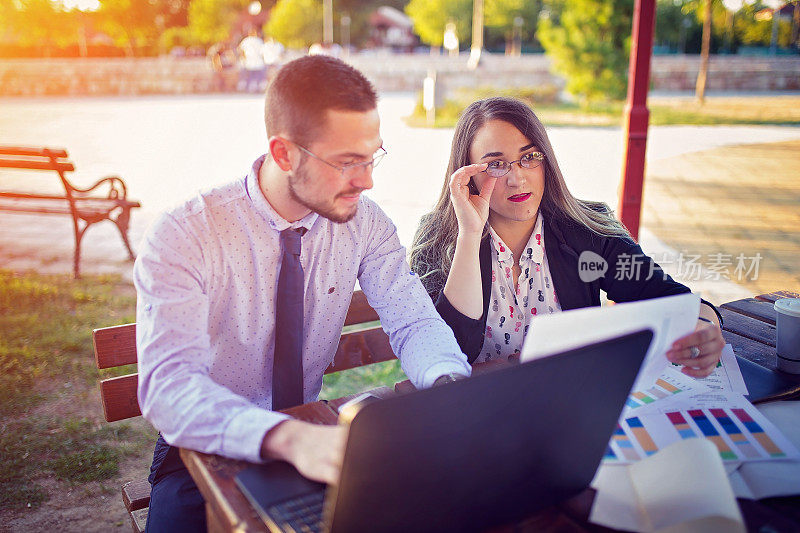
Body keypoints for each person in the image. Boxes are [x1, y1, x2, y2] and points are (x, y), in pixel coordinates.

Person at [135, 55, 471, 532]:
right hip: (206, 443)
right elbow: (168, 387)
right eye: (347, 162)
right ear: (284, 153)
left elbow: (412, 319)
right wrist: (288, 439)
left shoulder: (364, 221)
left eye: (372, 156)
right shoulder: (186, 233)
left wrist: (447, 386)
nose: (368, 180)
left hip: (315, 437)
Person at [410, 96, 724, 375]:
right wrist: (469, 234)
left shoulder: (587, 229)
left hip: (571, 403)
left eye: (529, 157)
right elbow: (447, 355)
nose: (518, 178)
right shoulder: (439, 240)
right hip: (475, 410)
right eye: (495, 165)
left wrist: (706, 326)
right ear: (468, 176)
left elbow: (670, 296)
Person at [237, 28, 267, 92]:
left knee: (250, 75)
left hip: (249, 61)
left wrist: (243, 58)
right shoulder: (259, 41)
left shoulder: (246, 40)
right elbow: (263, 52)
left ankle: (249, 87)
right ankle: (256, 87)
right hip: (257, 61)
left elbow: (240, 50)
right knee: (256, 75)